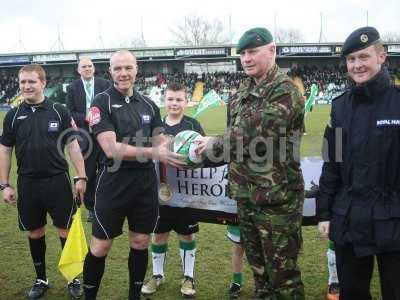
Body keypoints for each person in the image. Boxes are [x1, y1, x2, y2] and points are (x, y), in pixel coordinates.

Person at [196, 27, 305, 299]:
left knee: (283, 278)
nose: (246, 58)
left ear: (272, 50)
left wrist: (211, 144)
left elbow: (252, 137)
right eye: (242, 53)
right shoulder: (242, 91)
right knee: (260, 275)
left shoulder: (285, 90)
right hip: (246, 198)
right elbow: (232, 145)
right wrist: (194, 155)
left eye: (252, 51)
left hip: (277, 201)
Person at [82, 50, 185, 300]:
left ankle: (134, 296)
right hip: (113, 182)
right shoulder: (101, 103)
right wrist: (155, 152)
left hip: (144, 183)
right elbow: (111, 148)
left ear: (137, 70)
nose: (123, 73)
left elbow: (162, 142)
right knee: (100, 245)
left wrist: (189, 147)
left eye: (128, 67)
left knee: (140, 242)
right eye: (118, 68)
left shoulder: (149, 104)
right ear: (110, 71)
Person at [317, 26, 400, 300]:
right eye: (351, 60)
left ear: (381, 57)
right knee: (352, 293)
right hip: (350, 214)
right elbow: (332, 161)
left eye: (363, 57)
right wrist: (325, 212)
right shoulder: (339, 107)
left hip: (394, 215)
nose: (357, 65)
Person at [0, 64, 87, 300]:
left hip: (57, 181)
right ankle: (41, 279)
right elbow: (5, 150)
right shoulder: (13, 115)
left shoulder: (59, 111)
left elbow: (73, 145)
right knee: (35, 232)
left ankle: (73, 278)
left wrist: (81, 176)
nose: (26, 86)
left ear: (43, 83)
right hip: (28, 183)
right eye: (23, 82)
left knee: (65, 230)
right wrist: (4, 184)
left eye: (32, 82)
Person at [141, 82, 204, 297]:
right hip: (159, 194)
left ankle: (188, 277)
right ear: (164, 101)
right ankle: (158, 275)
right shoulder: (156, 126)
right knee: (159, 235)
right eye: (170, 99)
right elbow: (147, 155)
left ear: (186, 102)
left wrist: (194, 158)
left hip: (186, 195)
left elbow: (204, 157)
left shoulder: (194, 125)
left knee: (186, 236)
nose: (174, 103)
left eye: (179, 99)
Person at [66, 57, 110, 222]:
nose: (87, 68)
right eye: (83, 66)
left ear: (94, 68)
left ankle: (106, 204)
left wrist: (98, 117)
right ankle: (91, 208)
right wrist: (86, 117)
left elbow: (109, 106)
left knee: (107, 170)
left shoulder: (105, 84)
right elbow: (69, 111)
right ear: (79, 70)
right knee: (89, 171)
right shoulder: (72, 88)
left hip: (104, 133)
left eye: (89, 66)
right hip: (84, 135)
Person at [226, 225, 245, 299]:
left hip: (261, 219)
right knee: (238, 248)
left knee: (261, 251)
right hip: (238, 219)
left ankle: (262, 284)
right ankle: (237, 282)